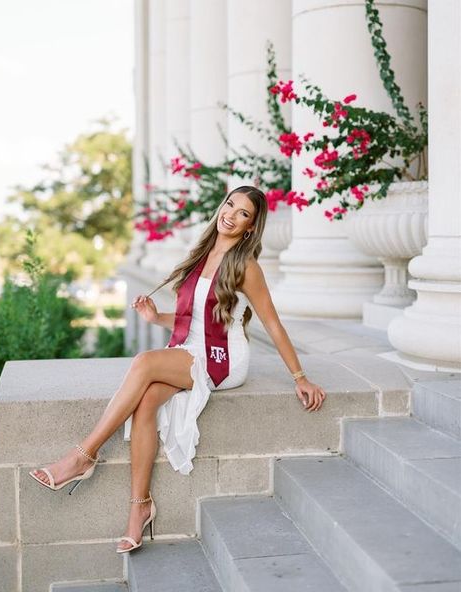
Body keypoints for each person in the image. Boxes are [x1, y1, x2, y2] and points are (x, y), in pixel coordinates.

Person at [29, 185, 326, 553]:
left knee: (144, 362)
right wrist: (157, 318)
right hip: (190, 349)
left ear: (251, 227)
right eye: (230, 205)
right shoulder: (201, 254)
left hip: (223, 358)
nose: (231, 214)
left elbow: (273, 324)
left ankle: (83, 455)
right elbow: (193, 319)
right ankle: (140, 509)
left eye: (243, 213)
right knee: (146, 400)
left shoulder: (246, 267)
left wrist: (300, 377)